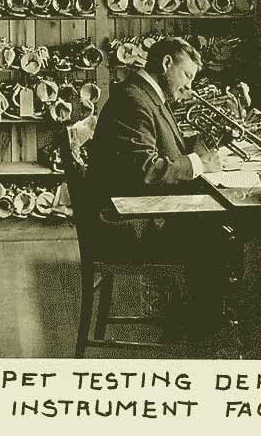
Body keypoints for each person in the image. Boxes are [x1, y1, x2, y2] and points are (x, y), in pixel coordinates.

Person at [86, 37, 233, 348]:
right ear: (166, 64)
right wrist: (197, 164)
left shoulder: (145, 96)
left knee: (215, 227)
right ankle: (200, 336)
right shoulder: (133, 100)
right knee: (220, 235)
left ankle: (190, 322)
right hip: (126, 226)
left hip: (133, 210)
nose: (189, 87)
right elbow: (146, 170)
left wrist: (199, 149)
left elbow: (164, 145)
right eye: (187, 75)